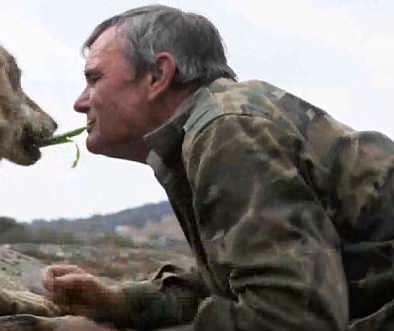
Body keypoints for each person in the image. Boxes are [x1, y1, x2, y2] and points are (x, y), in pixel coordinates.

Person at [42, 4, 394, 331]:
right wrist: (120, 303)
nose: (80, 103)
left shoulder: (226, 129)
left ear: (158, 75)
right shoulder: (213, 125)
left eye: (94, 78)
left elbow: (291, 318)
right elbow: (238, 281)